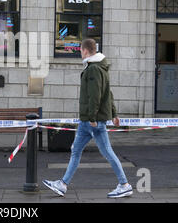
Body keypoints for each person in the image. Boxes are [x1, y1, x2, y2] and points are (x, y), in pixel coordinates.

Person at [43, 38, 133, 198]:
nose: (80, 53)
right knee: (77, 150)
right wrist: (114, 114)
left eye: (80, 51)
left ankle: (124, 184)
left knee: (103, 152)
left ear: (85, 50)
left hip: (91, 120)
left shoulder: (93, 70)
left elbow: (95, 95)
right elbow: (108, 93)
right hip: (90, 120)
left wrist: (92, 117)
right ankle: (63, 184)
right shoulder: (102, 68)